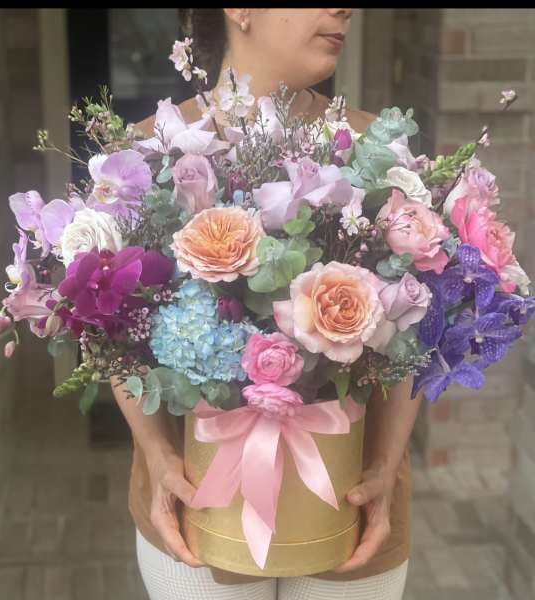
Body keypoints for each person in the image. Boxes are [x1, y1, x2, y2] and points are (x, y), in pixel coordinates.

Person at [111, 8, 421, 599]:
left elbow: (416, 327)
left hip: (351, 497)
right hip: (199, 498)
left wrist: (385, 463)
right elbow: (108, 325)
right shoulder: (151, 148)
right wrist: (155, 453)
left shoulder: (378, 150)